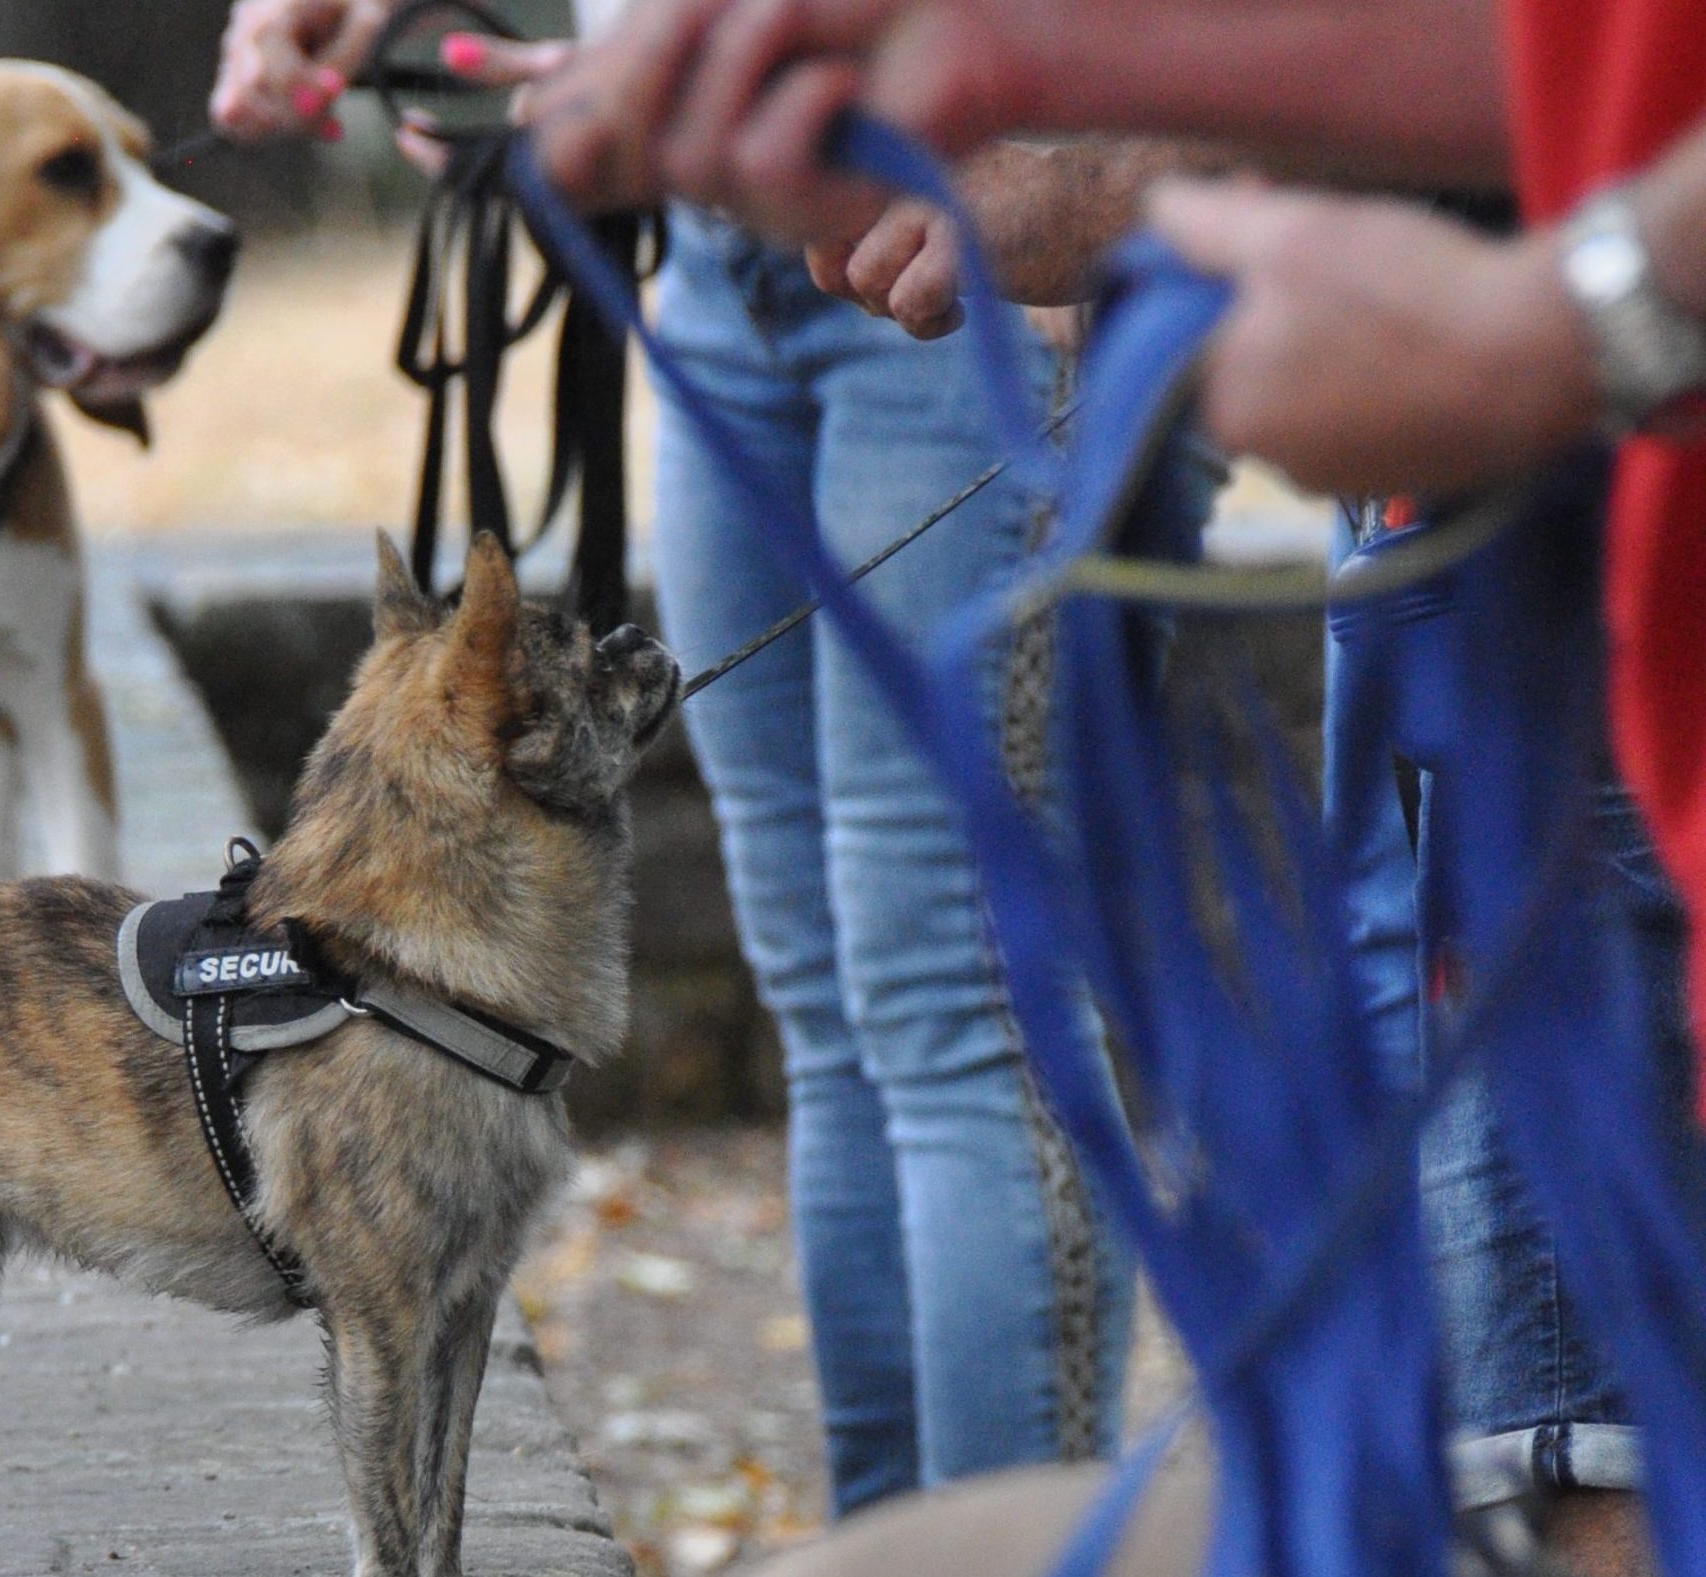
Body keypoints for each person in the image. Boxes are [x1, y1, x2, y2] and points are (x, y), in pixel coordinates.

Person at [522, 4, 1706, 1573]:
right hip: (1520, 545)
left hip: (1585, 519)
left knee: (1569, 1444)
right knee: (1491, 1410)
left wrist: (1551, 325)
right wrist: (1060, 92)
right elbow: (1578, 42)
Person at [206, 0, 1162, 1517]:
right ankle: (895, 1546)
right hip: (722, 257)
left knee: (954, 996)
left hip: (965, 213)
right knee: (823, 1002)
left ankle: (1018, 1549)